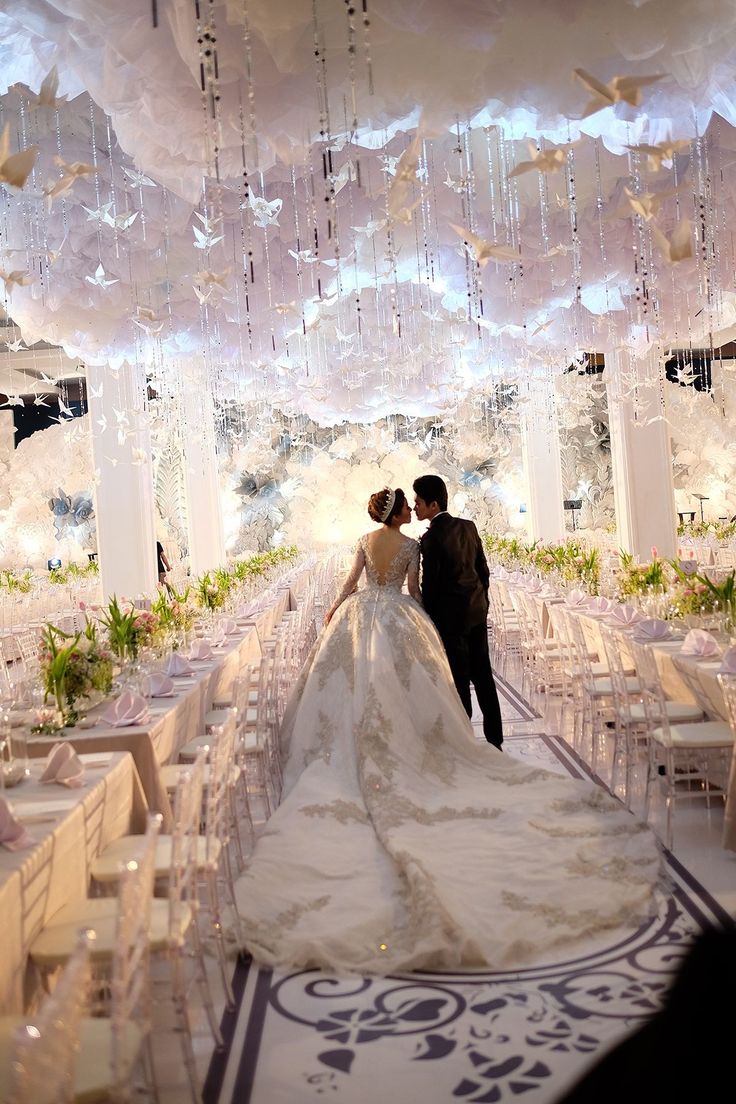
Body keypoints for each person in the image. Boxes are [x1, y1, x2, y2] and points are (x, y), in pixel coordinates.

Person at [233, 485, 662, 976]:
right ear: (401, 513)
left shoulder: (364, 541)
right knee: (411, 685)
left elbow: (351, 583)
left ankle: (358, 741)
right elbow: (417, 591)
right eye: (408, 505)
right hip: (398, 614)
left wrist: (334, 609)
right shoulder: (414, 545)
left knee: (356, 684)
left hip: (359, 618)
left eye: (418, 502)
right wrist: (421, 616)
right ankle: (424, 740)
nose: (414, 510)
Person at [413, 474, 504, 748]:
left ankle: (466, 743)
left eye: (418, 502)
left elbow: (430, 586)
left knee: (460, 680)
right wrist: (482, 602)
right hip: (476, 612)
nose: (415, 506)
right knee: (484, 677)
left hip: (450, 620)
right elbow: (483, 571)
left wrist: (430, 618)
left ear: (432, 504)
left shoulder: (430, 539)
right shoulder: (468, 527)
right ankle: (495, 741)